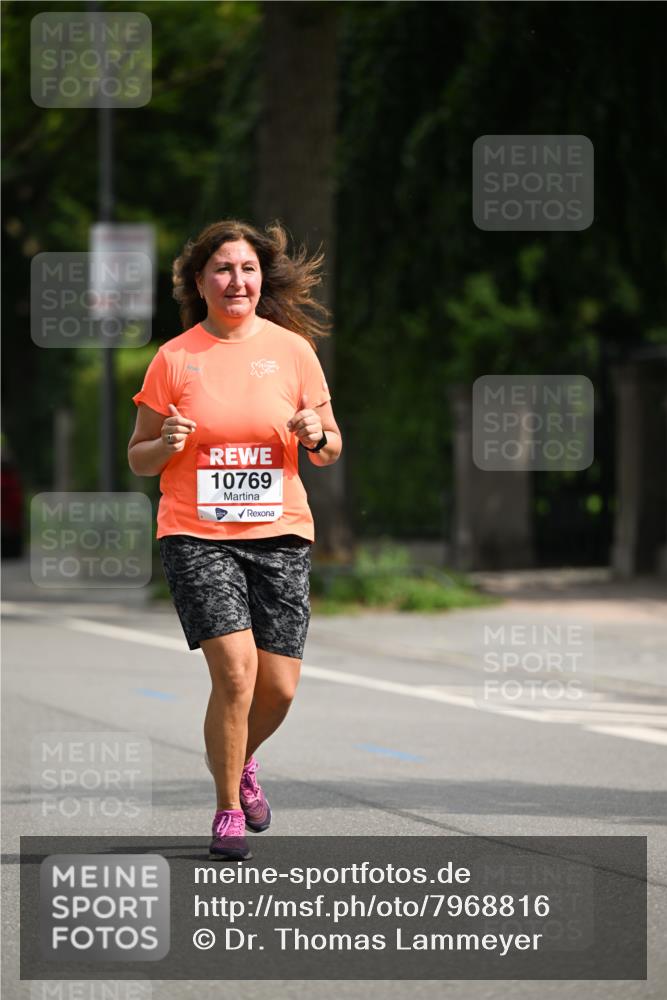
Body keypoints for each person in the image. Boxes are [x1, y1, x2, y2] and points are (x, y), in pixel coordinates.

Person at [128, 219, 342, 860]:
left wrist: (314, 434)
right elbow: (138, 458)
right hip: (197, 533)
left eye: (247, 269)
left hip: (279, 534)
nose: (236, 280)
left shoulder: (294, 351)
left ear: (261, 279)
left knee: (278, 686)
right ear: (200, 281)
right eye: (222, 269)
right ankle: (226, 808)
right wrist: (162, 444)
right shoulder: (175, 358)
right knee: (237, 672)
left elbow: (330, 448)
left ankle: (241, 759)